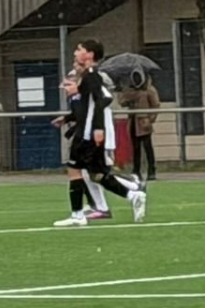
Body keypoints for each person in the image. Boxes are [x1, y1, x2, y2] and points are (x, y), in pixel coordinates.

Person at [53, 40, 148, 225]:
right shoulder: (88, 76)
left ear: (89, 55)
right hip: (85, 133)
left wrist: (98, 128)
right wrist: (68, 118)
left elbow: (103, 99)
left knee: (78, 171)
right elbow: (88, 105)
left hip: (87, 135)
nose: (75, 53)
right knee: (95, 174)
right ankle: (132, 194)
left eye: (79, 49)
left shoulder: (92, 76)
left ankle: (79, 215)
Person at [117, 68, 161, 181]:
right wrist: (125, 97)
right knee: (135, 148)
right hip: (132, 121)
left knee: (147, 147)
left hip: (144, 121)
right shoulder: (129, 91)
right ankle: (136, 171)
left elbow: (156, 105)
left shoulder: (149, 90)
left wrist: (150, 119)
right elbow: (122, 102)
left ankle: (151, 170)